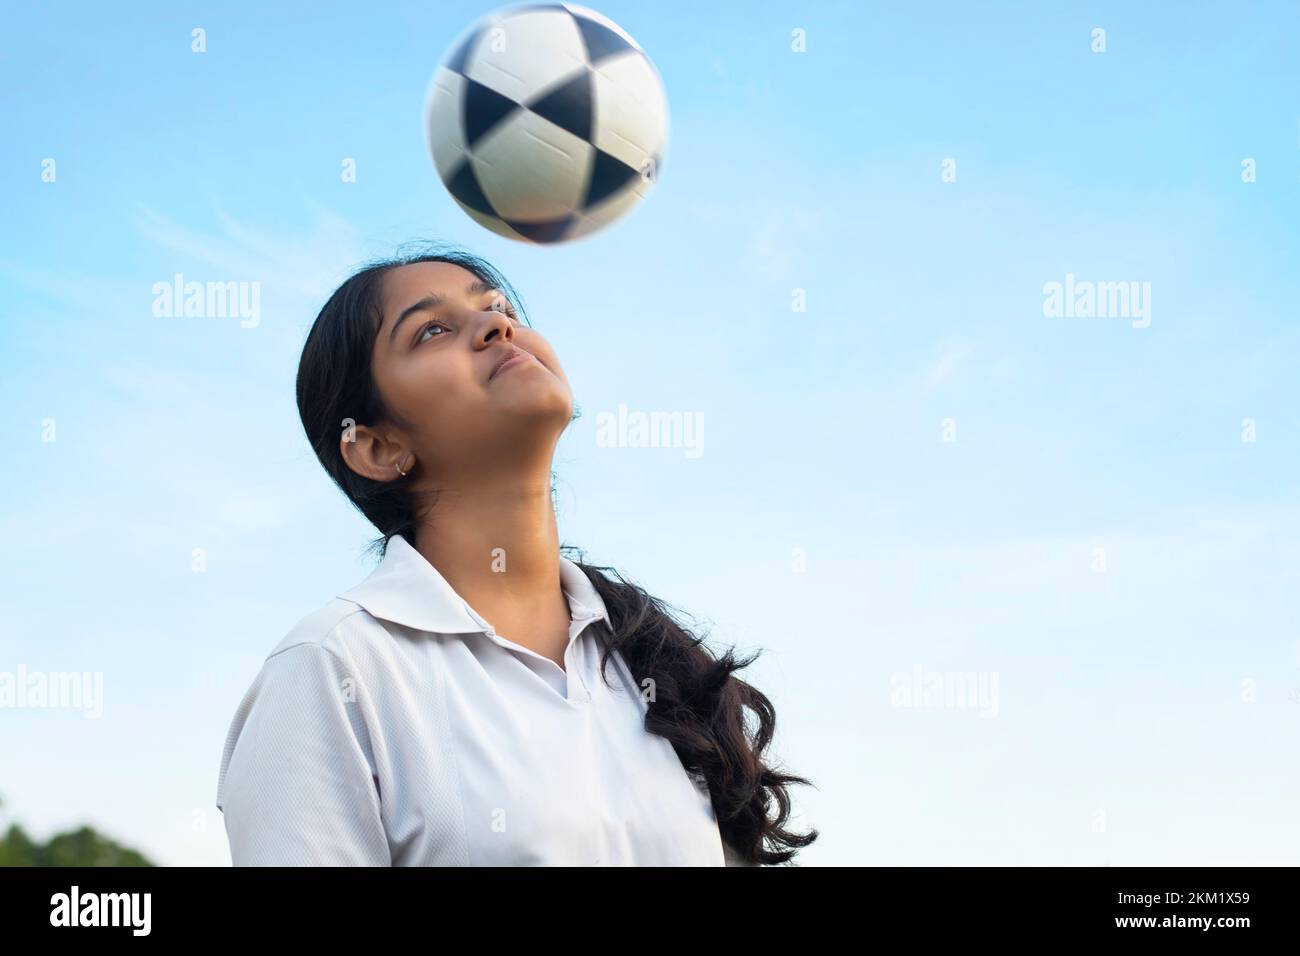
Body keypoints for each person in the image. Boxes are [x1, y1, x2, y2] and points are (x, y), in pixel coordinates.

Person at [216, 243, 818, 865]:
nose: (497, 326)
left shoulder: (658, 668)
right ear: (374, 447)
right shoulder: (332, 669)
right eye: (432, 330)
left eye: (499, 307)